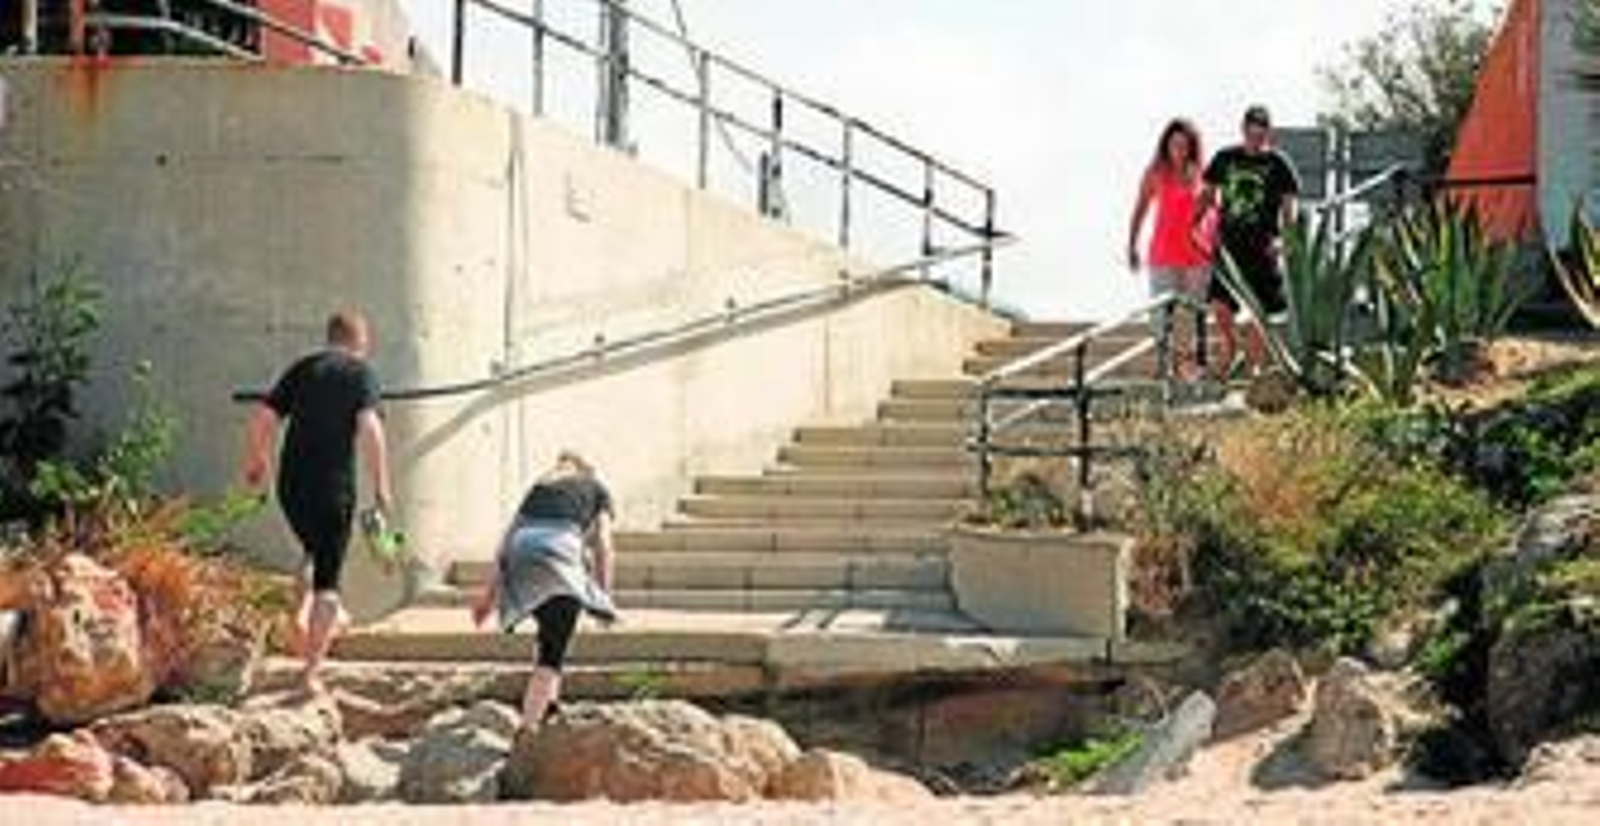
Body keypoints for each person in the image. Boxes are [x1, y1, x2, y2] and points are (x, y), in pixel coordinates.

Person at [242, 310, 393, 694]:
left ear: (330, 337)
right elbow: (370, 428)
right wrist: (382, 487)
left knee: (312, 551)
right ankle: (310, 672)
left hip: (291, 485)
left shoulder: (303, 369)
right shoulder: (361, 374)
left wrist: (258, 460)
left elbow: (263, 415)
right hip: (333, 487)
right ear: (361, 341)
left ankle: (299, 617)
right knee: (329, 581)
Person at [471, 451, 618, 730]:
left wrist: (488, 597)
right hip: (558, 553)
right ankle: (528, 729)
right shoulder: (597, 489)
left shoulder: (539, 488)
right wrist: (603, 599)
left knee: (548, 634)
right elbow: (604, 546)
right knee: (553, 650)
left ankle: (549, 707)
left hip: (521, 553)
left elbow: (506, 541)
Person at [1198, 105, 1301, 377]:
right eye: (1252, 131)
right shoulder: (1225, 157)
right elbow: (1207, 195)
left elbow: (1290, 207)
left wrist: (1285, 241)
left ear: (1268, 133)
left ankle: (1255, 369)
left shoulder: (1279, 164)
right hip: (1229, 246)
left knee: (1262, 310)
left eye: (1262, 131)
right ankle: (1231, 345)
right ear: (1243, 129)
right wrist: (1192, 225)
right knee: (1219, 304)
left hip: (1263, 246)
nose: (1256, 136)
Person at [1127, 117, 1212, 381]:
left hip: (1197, 253)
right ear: (1166, 145)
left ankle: (1186, 368)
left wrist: (1215, 247)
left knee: (1191, 313)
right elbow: (1140, 209)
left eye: (1185, 145)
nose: (1179, 150)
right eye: (1174, 144)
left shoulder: (1202, 172)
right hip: (1163, 252)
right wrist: (1131, 244)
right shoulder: (1155, 172)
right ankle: (1165, 364)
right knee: (1162, 312)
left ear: (1192, 147)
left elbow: (1214, 211)